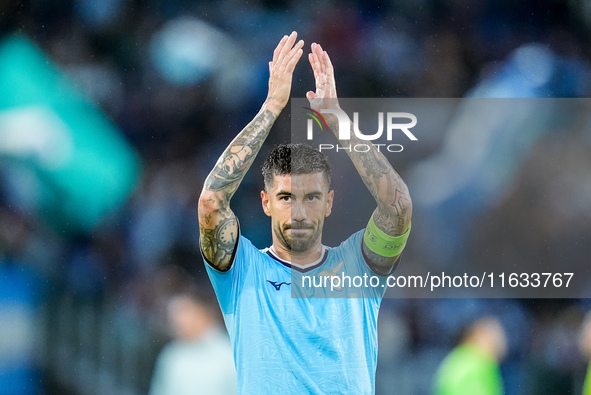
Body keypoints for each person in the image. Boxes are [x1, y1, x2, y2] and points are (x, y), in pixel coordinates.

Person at [198, 31, 412, 394]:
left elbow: (398, 207)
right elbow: (211, 201)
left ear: (329, 201)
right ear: (266, 203)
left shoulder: (358, 267)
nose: (298, 211)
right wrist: (271, 108)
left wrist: (337, 120)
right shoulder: (243, 270)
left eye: (311, 197)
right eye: (285, 198)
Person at [149, 292, 236, 395]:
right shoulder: (170, 355)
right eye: (173, 316)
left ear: (203, 311)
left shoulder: (228, 351)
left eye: (184, 312)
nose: (178, 320)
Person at [433, 316, 507, 395]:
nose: (500, 345)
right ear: (480, 336)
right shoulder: (480, 363)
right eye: (494, 340)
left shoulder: (457, 357)